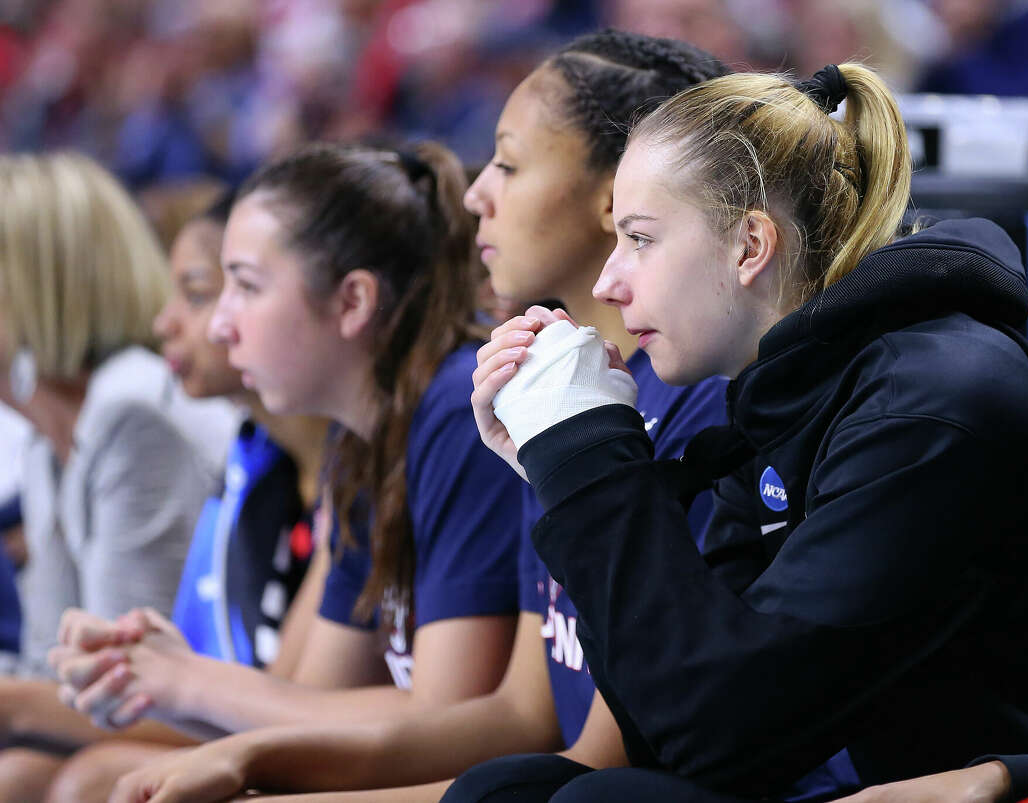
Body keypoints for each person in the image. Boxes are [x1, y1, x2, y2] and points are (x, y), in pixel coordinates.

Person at [459, 62, 1028, 803]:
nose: (607, 285)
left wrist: (590, 467)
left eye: (640, 239)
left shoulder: (934, 402)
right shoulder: (781, 398)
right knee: (510, 790)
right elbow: (671, 722)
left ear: (751, 246)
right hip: (926, 773)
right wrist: (562, 476)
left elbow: (718, 731)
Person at [104, 30, 737, 803]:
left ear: (614, 197)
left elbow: (589, 759)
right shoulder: (539, 385)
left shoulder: (677, 399)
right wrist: (255, 758)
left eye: (508, 162)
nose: (478, 192)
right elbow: (521, 714)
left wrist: (255, 763)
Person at [51, 141, 524, 796]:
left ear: (353, 301)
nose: (220, 325)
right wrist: (158, 676)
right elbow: (317, 700)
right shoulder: (363, 439)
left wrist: (192, 681)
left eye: (244, 286)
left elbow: (442, 724)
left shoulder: (458, 411)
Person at [0, 151, 241, 802]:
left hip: (222, 713)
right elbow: (50, 660)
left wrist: (9, 702)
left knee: (54, 783)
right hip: (175, 719)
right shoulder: (50, 439)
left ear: (34, 284)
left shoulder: (133, 412)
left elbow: (131, 686)